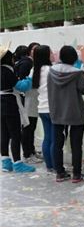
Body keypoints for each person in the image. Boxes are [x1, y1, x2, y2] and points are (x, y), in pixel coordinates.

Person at [48, 45, 84, 183]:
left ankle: (60, 173)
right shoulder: (77, 73)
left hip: (57, 111)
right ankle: (76, 174)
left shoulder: (51, 71)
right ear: (74, 58)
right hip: (75, 112)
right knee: (76, 144)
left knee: (57, 143)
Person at [1, 45, 36, 173]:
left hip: (1, 104)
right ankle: (17, 163)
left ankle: (5, 162)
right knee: (15, 134)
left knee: (4, 134)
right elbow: (21, 86)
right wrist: (29, 79)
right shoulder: (6, 71)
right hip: (9, 104)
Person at [14, 45, 41, 164]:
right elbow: (22, 83)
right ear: (29, 51)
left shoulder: (31, 63)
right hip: (28, 100)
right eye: (34, 50)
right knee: (28, 127)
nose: (36, 52)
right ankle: (27, 153)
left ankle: (31, 150)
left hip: (31, 100)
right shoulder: (27, 64)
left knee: (31, 126)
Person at [32, 45, 55, 172]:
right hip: (52, 108)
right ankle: (56, 166)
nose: (52, 54)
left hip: (41, 108)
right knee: (55, 139)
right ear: (46, 55)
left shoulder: (35, 70)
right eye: (50, 52)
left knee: (47, 137)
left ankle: (49, 166)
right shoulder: (50, 70)